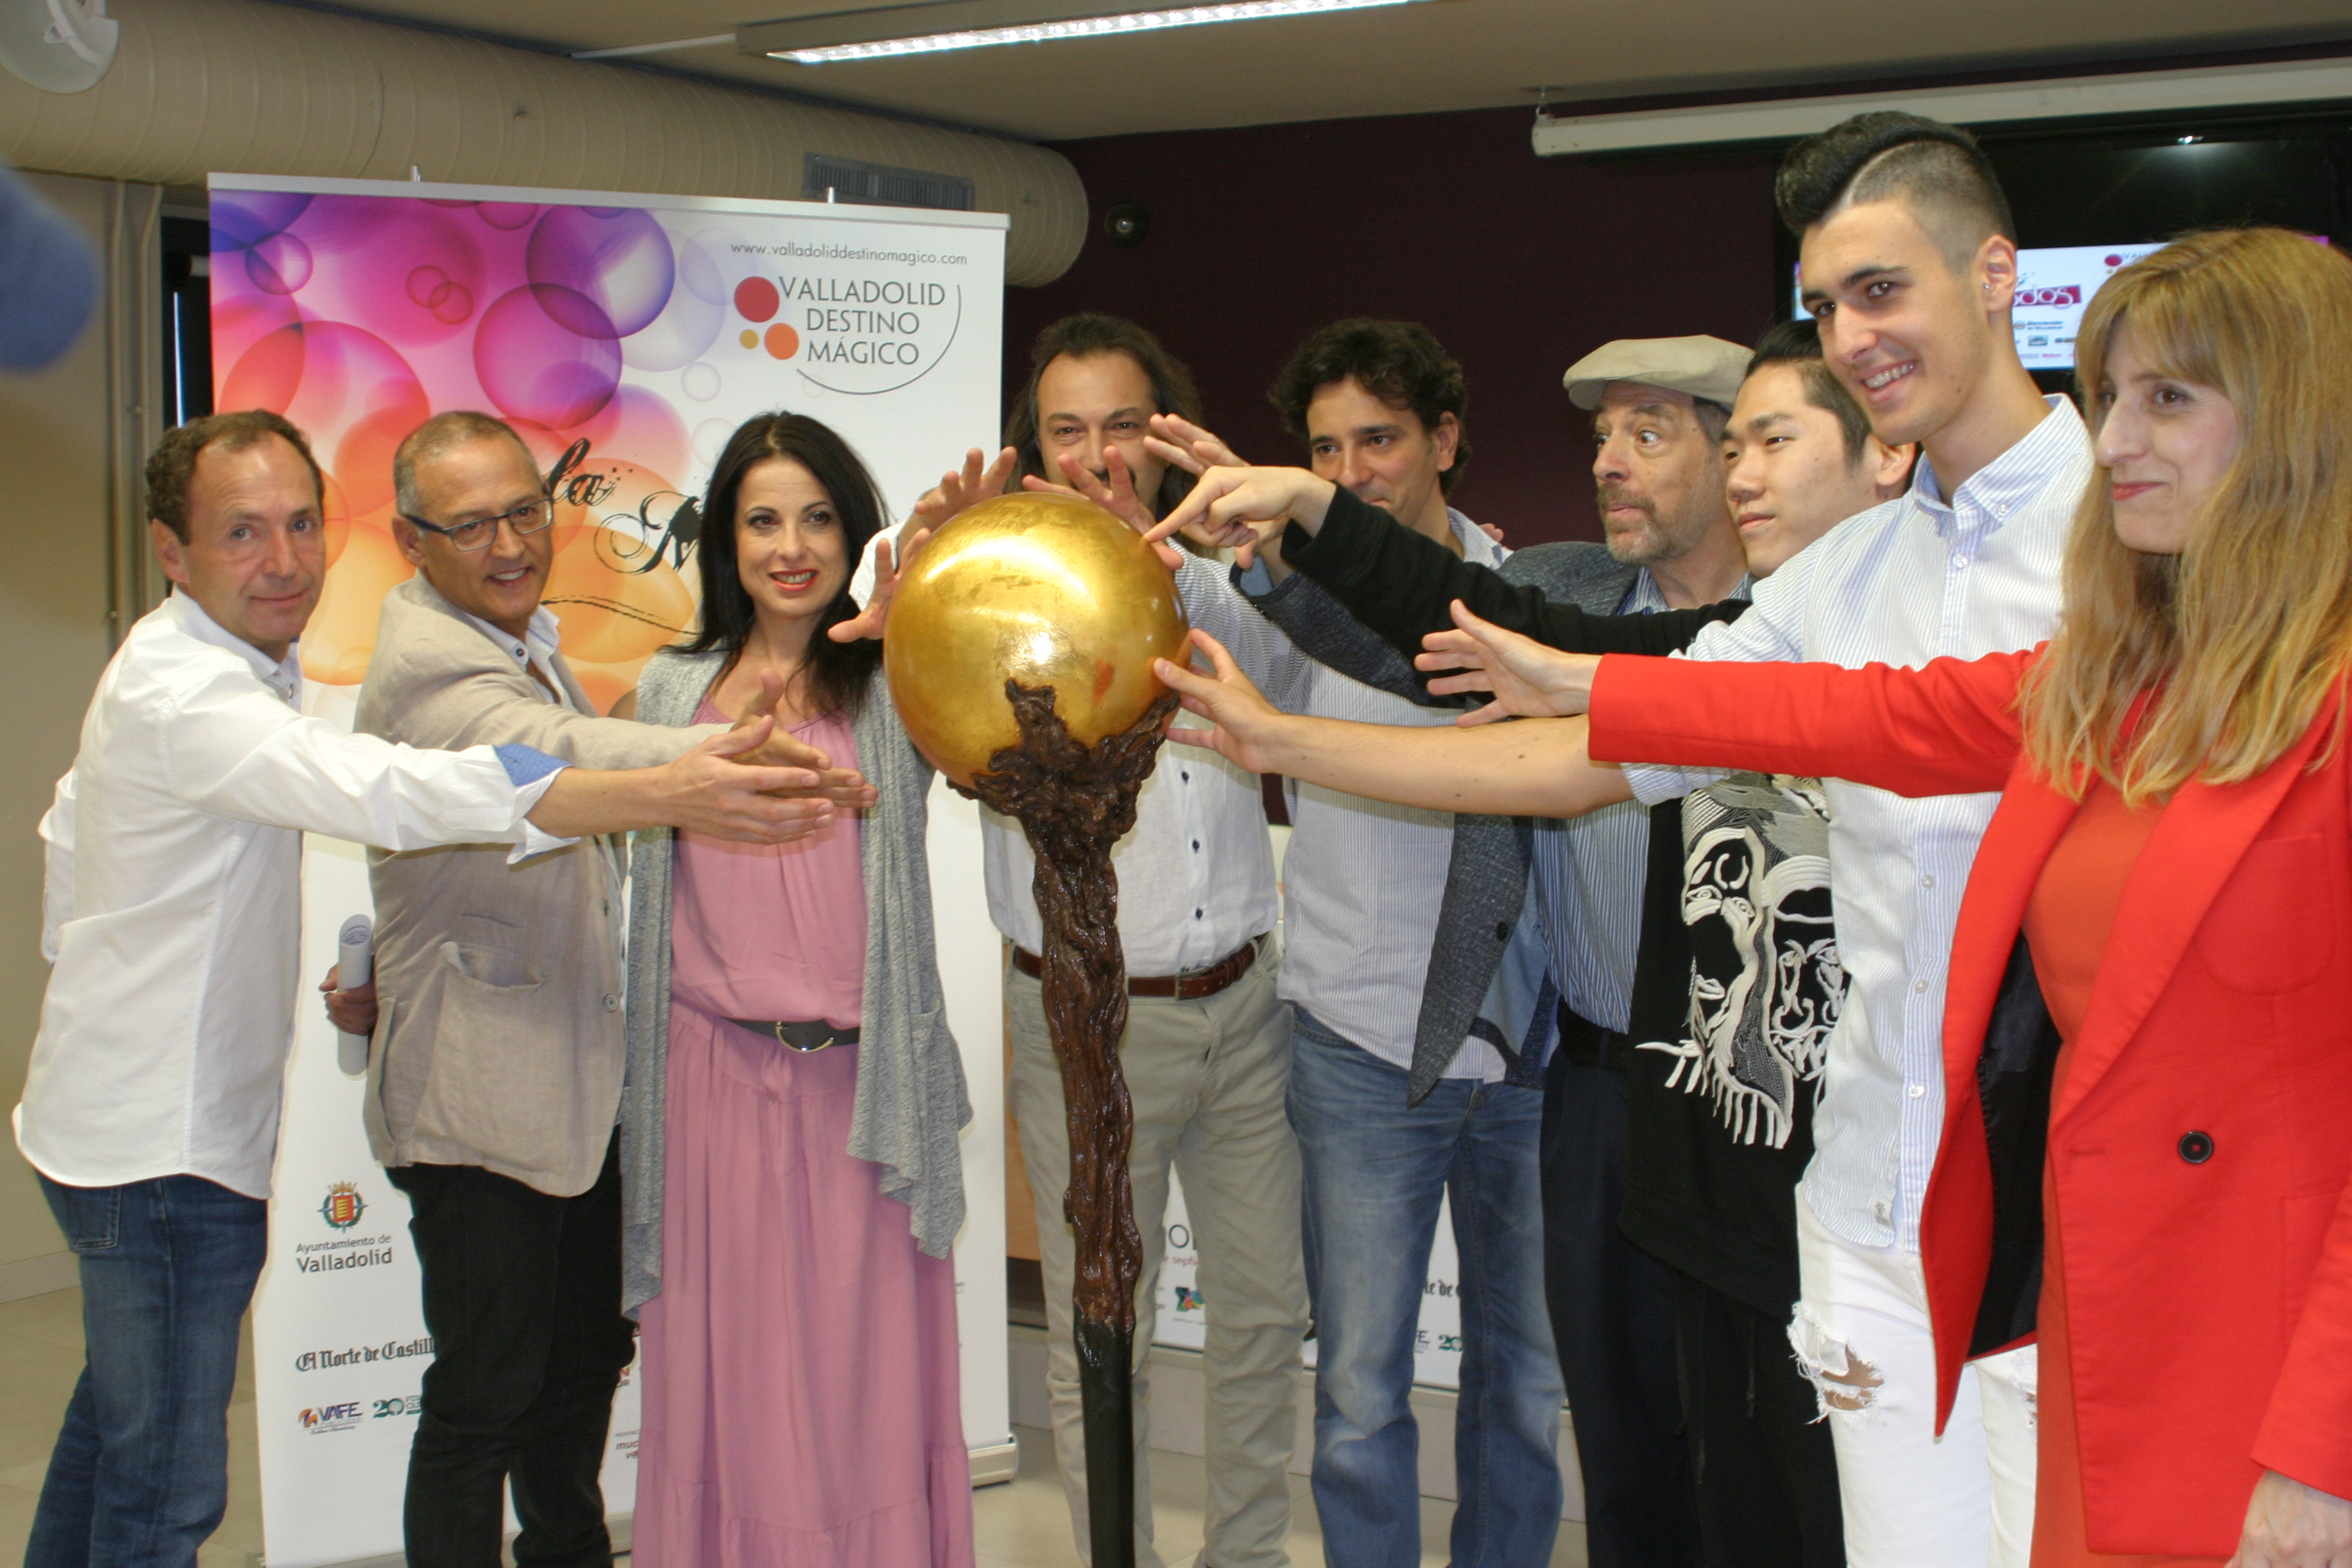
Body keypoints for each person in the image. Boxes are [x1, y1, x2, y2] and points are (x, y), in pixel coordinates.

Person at [1356, 225, 2352, 1568]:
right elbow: (1861, 715)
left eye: (2168, 399)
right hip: (2100, 1295)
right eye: (2112, 395)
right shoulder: (2125, 674)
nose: (2115, 439)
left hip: (2269, 1342)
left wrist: (2325, 1445)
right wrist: (1589, 684)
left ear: (2297, 422)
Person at [1165, 109, 2076, 1568]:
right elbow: (1586, 738)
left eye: (1881, 291)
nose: (1854, 336)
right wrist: (1286, 730)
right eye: (1827, 305)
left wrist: (1581, 685)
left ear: (1995, 273)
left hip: (2042, 1216)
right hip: (1846, 1207)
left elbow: (1696, 712)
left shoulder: (2117, 547)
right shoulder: (1848, 577)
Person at [1152, 317, 1913, 1568]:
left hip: (1823, 1127)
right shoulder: (1606, 609)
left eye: (1658, 434)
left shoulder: (1826, 645)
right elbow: (1455, 672)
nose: (1611, 461)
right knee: (1630, 1438)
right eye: (1605, 435)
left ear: (1880, 455)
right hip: (1605, 1082)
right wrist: (1298, 536)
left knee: (1790, 1455)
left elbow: (1564, 755)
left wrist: (1287, 738)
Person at [21, 410, 831, 1568]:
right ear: (170, 550)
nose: (284, 560)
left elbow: (69, 837)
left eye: (301, 524)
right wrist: (675, 778)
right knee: (166, 1491)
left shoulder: (242, 665)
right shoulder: (192, 693)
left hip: (164, 1118)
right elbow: (395, 789)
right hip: (162, 1145)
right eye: (242, 533)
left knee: (116, 1440)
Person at [341, 410, 874, 1568]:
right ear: (411, 539)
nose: (509, 543)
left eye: (524, 511)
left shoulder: (521, 634)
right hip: (479, 1099)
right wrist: (702, 756)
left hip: (583, 1087)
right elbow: (545, 760)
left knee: (582, 1364)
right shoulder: (430, 660)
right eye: (470, 525)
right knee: (484, 1395)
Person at [1140, 318, 1573, 1568]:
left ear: (1446, 438)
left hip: (1531, 1051)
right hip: (1359, 1046)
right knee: (1360, 1395)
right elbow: (1200, 626)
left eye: (1378, 440)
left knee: (1524, 1388)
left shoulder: (1534, 604)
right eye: (1325, 450)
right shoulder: (1291, 595)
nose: (1352, 471)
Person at [620, 412, 975, 1567]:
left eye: (818, 518)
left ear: (854, 533)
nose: (791, 546)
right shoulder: (670, 692)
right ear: (724, 539)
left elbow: (1012, 754)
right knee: (729, 1381)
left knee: (861, 1394)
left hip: (864, 1096)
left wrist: (939, 603)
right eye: (762, 519)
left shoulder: (898, 680)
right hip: (708, 1085)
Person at [983, 313, 1307, 1568]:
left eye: (1123, 424)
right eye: (1067, 430)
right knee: (1100, 1333)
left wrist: (1208, 563)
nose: (1098, 455)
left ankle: (1247, 1558)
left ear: (1166, 437)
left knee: (1263, 1319)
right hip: (1087, 1020)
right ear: (1036, 449)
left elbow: (1291, 686)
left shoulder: (1226, 580)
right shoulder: (991, 592)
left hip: (1246, 1007)